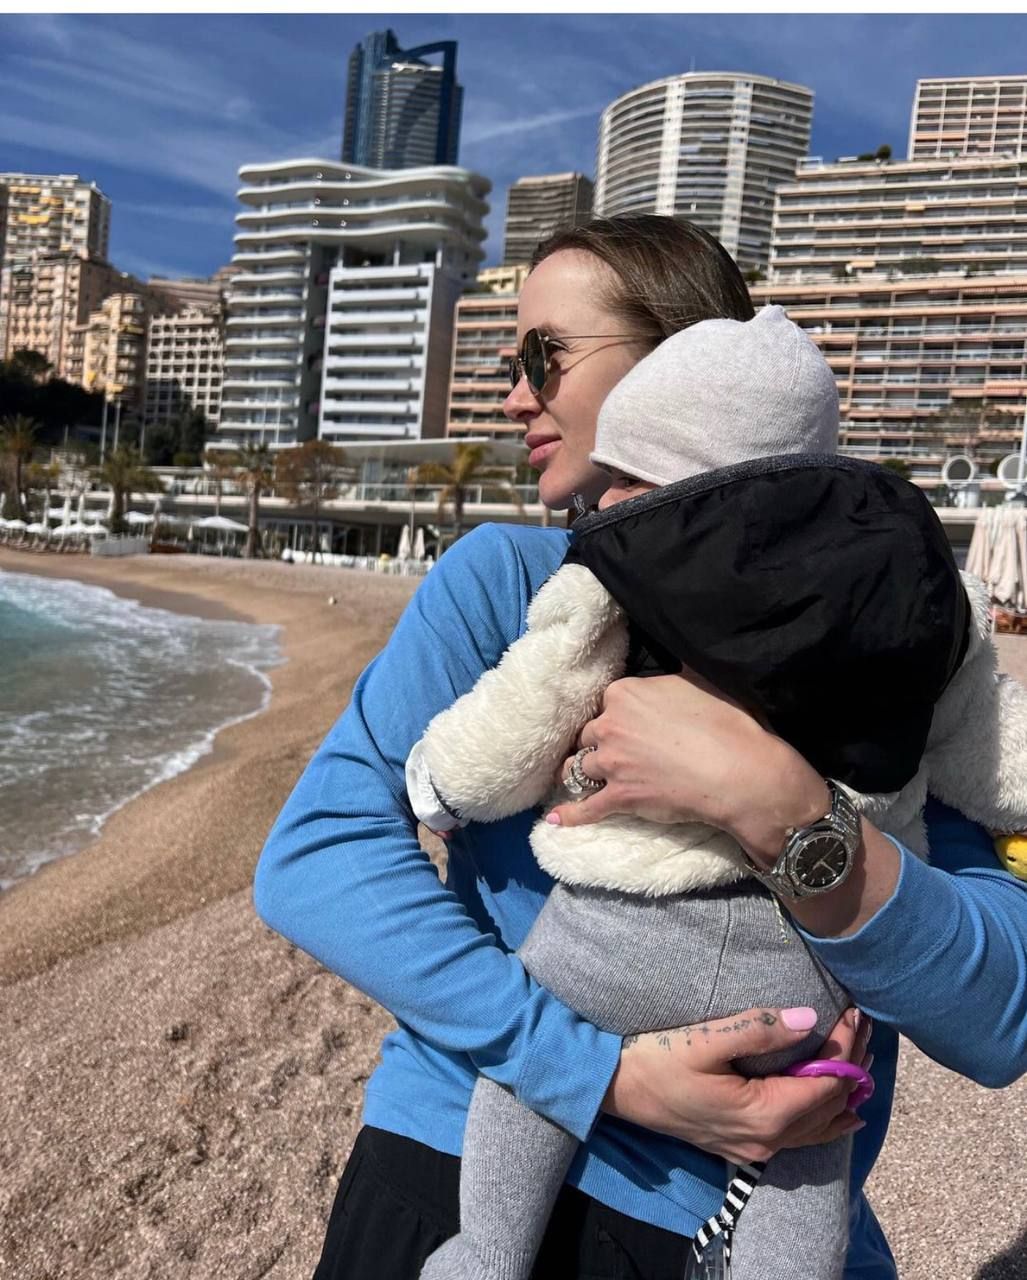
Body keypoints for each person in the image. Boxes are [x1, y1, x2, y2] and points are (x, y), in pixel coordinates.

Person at [253, 216, 1027, 1280]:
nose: (514, 396)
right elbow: (316, 855)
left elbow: (998, 1014)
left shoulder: (882, 622)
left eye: (545, 357)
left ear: (686, 362)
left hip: (772, 1209)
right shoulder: (511, 582)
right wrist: (601, 1074)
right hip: (467, 1166)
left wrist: (781, 808)